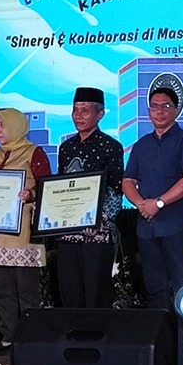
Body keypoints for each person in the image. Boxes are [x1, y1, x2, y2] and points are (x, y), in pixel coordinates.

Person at [0, 108, 51, 355]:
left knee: (26, 291)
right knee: (3, 290)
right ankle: (8, 338)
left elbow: (47, 187)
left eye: (3, 125)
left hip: (23, 232)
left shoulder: (34, 152)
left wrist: (30, 194)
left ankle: (30, 340)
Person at [122, 87, 183, 310]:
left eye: (166, 106)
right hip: (147, 227)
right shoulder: (142, 144)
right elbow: (127, 181)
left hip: (177, 225)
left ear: (176, 110)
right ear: (148, 111)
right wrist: (141, 204)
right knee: (154, 288)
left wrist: (159, 203)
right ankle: (160, 332)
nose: (160, 111)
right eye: (154, 107)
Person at [55, 87, 123, 308]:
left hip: (97, 232)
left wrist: (99, 219)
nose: (78, 116)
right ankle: (73, 330)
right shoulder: (66, 147)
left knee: (96, 293)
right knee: (70, 292)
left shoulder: (111, 146)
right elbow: (60, 188)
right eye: (75, 110)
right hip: (68, 232)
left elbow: (116, 189)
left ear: (100, 114)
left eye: (84, 111)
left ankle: (97, 330)